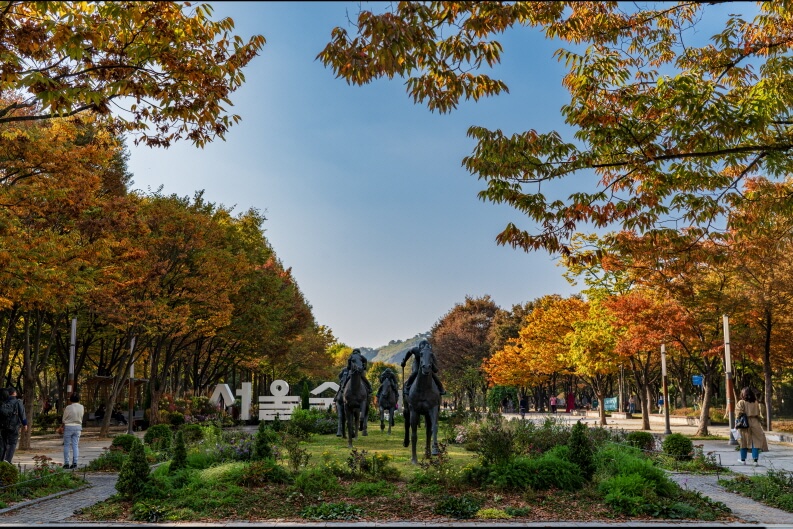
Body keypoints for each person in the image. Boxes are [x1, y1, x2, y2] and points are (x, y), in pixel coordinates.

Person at [735, 387, 769, 465]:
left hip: (744, 423)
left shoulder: (741, 402)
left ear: (743, 394)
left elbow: (738, 414)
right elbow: (758, 413)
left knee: (743, 441)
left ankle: (743, 460)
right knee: (755, 442)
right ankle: (755, 461)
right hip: (755, 422)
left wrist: (736, 424)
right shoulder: (755, 402)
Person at [1, 387, 28, 464]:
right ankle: (7, 460)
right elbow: (22, 414)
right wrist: (25, 424)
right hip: (13, 426)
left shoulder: (3, 401)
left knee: (4, 443)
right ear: (14, 393)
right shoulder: (18, 402)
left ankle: (2, 460)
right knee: (12, 443)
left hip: (3, 426)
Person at [62, 393, 84, 469]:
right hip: (78, 427)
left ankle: (66, 463)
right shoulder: (81, 407)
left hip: (68, 426)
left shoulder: (68, 407)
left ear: (71, 399)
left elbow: (64, 419)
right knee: (75, 445)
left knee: (67, 445)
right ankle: (75, 462)